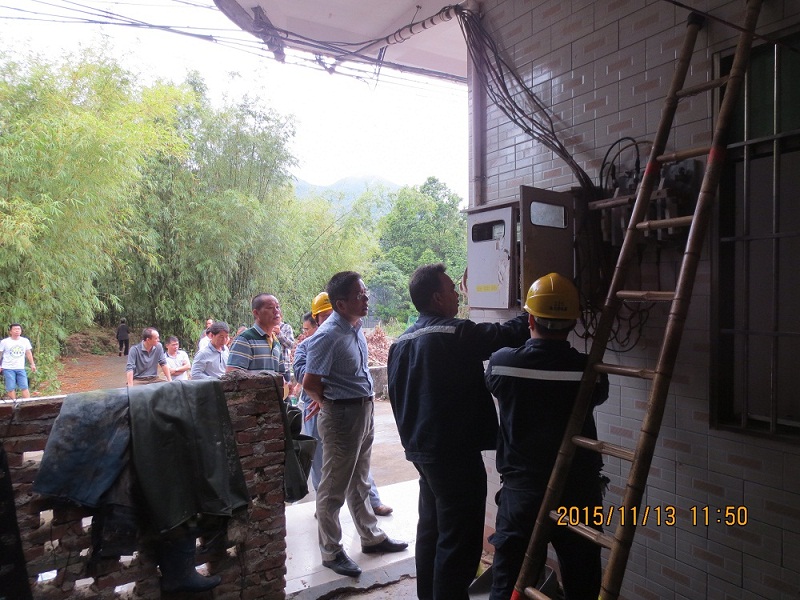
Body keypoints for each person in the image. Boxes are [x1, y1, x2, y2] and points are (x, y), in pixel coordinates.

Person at [386, 263, 529, 600]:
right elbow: (504, 336)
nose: (456, 295)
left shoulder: (401, 342)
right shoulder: (455, 334)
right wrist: (532, 310)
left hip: (423, 454)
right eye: (452, 289)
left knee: (432, 531)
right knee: (458, 542)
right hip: (454, 455)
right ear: (437, 298)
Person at [485, 273, 609, 600]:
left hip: (522, 494)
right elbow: (599, 395)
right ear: (573, 323)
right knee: (583, 582)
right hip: (579, 491)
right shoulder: (591, 372)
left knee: (510, 582)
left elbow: (494, 383)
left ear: (530, 319)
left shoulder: (502, 364)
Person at [303, 272, 407, 578]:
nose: (366, 299)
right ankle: (331, 551)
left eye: (365, 293)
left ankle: (371, 537)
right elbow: (309, 383)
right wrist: (328, 404)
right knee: (333, 487)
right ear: (341, 303)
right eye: (360, 295)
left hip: (363, 410)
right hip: (341, 415)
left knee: (360, 480)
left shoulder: (355, 327)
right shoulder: (327, 336)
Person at [296, 300, 392, 516]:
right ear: (316, 319)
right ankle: (325, 509)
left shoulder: (353, 334)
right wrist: (326, 395)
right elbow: (304, 377)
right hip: (320, 405)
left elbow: (357, 372)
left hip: (348, 405)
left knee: (358, 462)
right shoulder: (309, 345)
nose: (330, 318)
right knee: (322, 462)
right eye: (324, 315)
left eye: (331, 313)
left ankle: (372, 502)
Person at [226, 294, 284, 376]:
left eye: (277, 307)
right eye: (270, 308)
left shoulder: (276, 342)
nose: (276, 311)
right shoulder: (245, 339)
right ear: (256, 313)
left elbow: (280, 376)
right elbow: (232, 375)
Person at [0, 324, 37, 400]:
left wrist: (32, 364)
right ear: (10, 331)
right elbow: (0, 353)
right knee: (11, 387)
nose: (17, 331)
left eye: (18, 329)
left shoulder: (25, 341)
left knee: (24, 386)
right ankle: (13, 403)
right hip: (8, 367)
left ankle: (28, 403)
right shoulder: (5, 342)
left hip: (20, 367)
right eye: (15, 329)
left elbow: (28, 353)